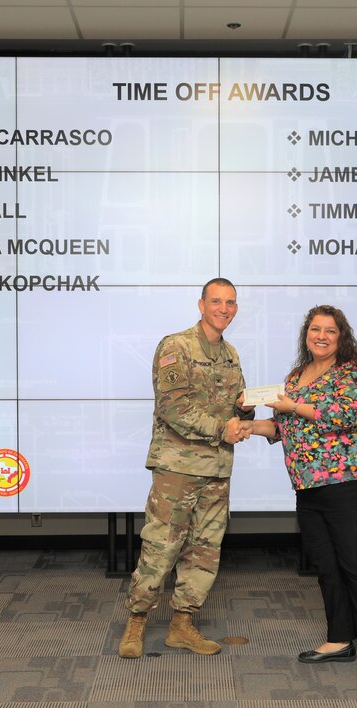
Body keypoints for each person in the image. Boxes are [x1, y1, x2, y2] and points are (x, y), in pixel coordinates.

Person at [244, 304, 357, 681]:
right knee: (327, 568)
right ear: (306, 335)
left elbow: (344, 415)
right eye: (314, 330)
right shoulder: (296, 376)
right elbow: (282, 427)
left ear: (342, 338)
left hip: (354, 485)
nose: (321, 336)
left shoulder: (352, 374)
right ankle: (340, 639)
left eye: (329, 331)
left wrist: (292, 405)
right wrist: (246, 427)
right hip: (309, 487)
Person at [118, 278, 254, 659]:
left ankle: (182, 624)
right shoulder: (175, 345)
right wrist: (221, 428)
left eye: (230, 303)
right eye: (216, 301)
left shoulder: (231, 355)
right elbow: (173, 408)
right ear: (201, 304)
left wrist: (246, 410)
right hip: (177, 468)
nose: (223, 309)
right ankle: (136, 621)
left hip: (216, 468)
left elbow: (234, 409)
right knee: (161, 545)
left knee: (204, 550)